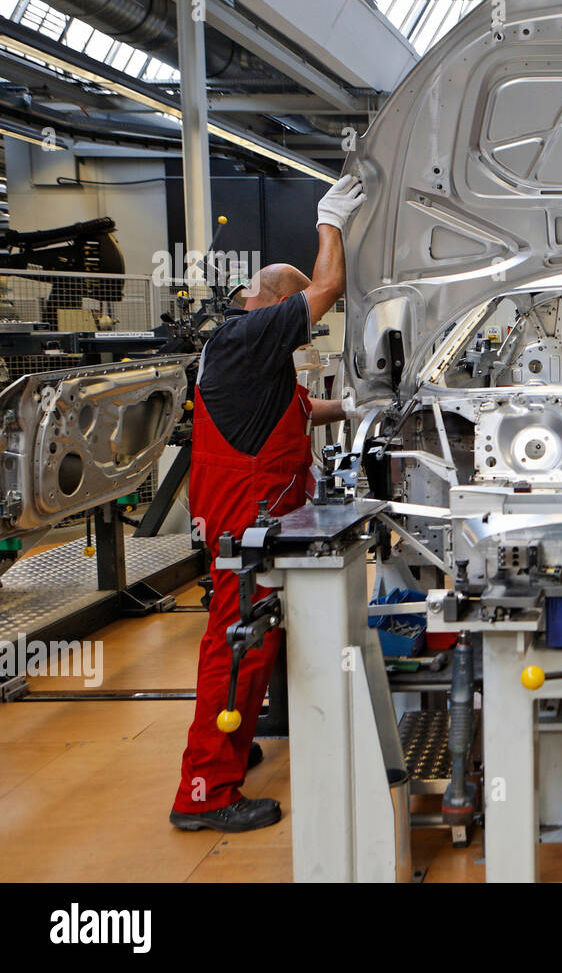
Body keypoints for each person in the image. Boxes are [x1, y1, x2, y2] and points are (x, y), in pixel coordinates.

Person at [169, 174, 365, 832]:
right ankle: (203, 791)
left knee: (255, 636)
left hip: (254, 519)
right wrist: (330, 219)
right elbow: (327, 285)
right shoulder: (250, 335)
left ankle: (231, 740)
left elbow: (299, 411)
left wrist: (357, 407)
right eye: (305, 320)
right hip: (243, 523)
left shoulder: (248, 353)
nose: (311, 332)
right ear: (280, 305)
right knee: (237, 646)